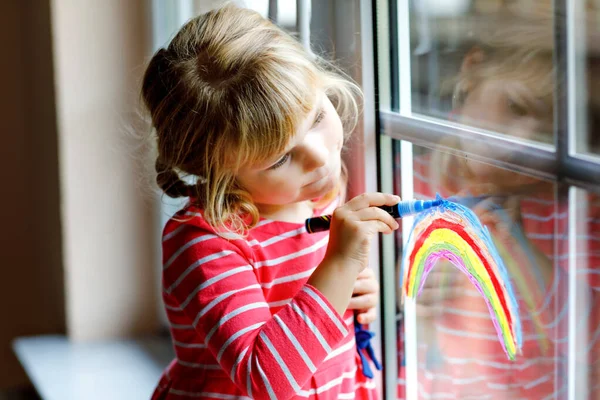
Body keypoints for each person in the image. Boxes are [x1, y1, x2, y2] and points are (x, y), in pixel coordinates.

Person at [141, 4, 398, 399]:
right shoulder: (203, 243)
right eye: (280, 158)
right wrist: (340, 264)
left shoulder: (322, 199)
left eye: (315, 118)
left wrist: (353, 291)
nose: (319, 157)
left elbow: (316, 319)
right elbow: (265, 378)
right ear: (218, 171)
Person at [396, 9, 600, 399]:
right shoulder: (407, 178)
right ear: (473, 70)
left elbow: (591, 343)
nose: (524, 142)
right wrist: (407, 286)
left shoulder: (572, 210)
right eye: (518, 107)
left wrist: (516, 244)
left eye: (551, 133)